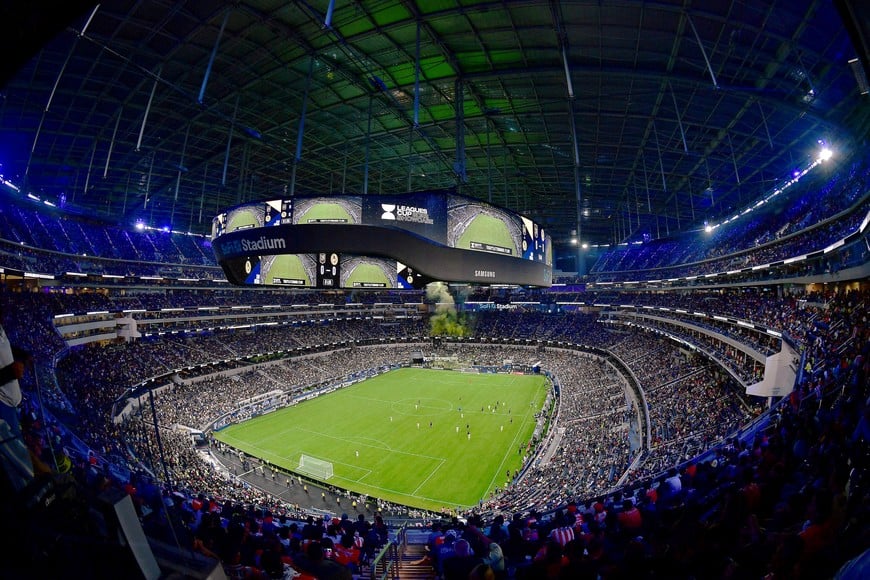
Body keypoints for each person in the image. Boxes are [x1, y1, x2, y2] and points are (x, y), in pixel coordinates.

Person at [0, 321, 34, 493]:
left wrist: (22, 354)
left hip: (11, 404)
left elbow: (5, 348)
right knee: (15, 461)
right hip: (2, 408)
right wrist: (7, 374)